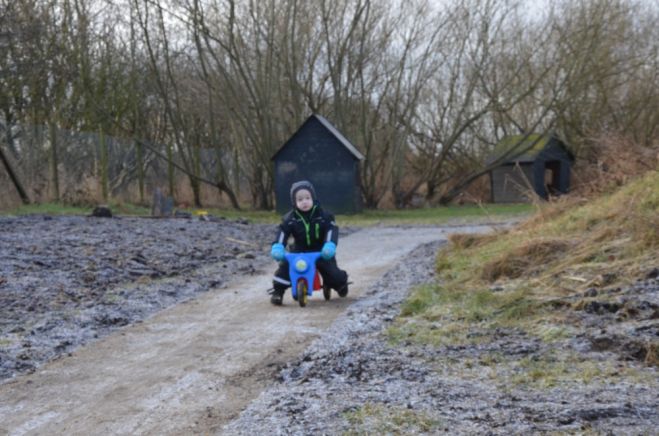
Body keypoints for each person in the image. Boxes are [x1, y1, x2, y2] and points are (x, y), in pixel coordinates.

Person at [269, 180, 349, 305]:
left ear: (313, 198)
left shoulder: (324, 216)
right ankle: (278, 291)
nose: (304, 202)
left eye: (307, 198)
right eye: (300, 199)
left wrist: (329, 244)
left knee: (333, 274)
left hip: (321, 251)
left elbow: (331, 229)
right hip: (299, 250)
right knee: (285, 268)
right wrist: (278, 247)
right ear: (294, 202)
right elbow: (283, 232)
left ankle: (341, 285)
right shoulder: (290, 218)